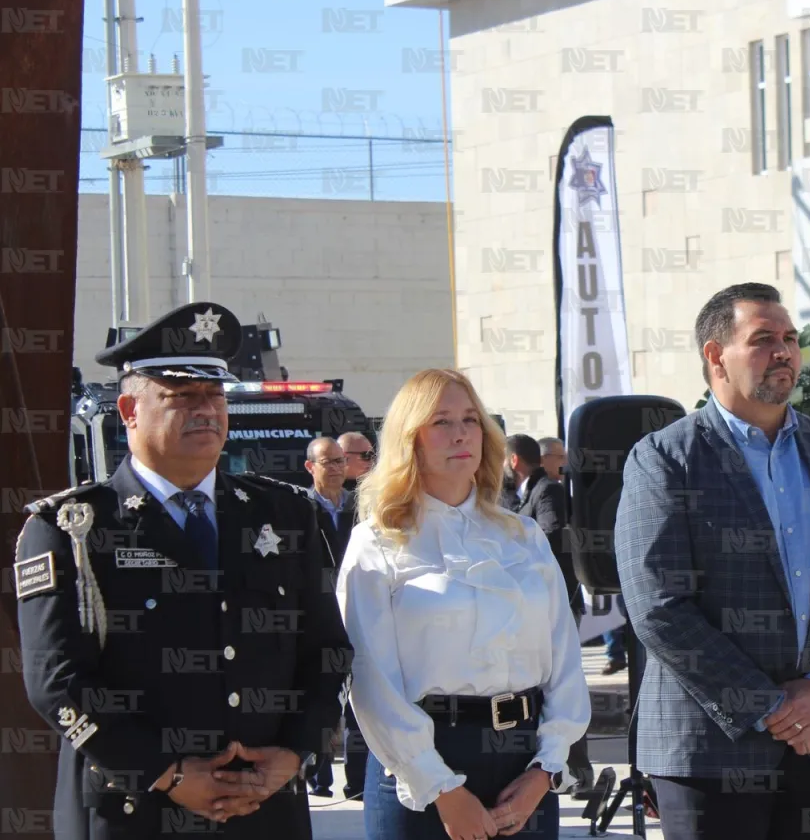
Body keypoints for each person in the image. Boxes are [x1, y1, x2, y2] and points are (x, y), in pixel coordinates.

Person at [15, 301, 351, 840]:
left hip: (263, 809)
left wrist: (296, 752)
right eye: (181, 396)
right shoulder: (73, 527)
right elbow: (56, 681)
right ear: (129, 409)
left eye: (214, 395)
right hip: (134, 810)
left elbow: (327, 649)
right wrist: (168, 774)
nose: (206, 410)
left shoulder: (285, 514)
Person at [614, 282, 810, 840]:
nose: (785, 352)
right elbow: (658, 606)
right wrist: (770, 707)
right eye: (763, 339)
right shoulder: (666, 458)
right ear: (715, 355)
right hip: (711, 752)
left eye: (790, 339)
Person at [336, 368, 590, 840]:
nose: (460, 434)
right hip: (419, 771)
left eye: (470, 420)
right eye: (441, 422)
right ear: (410, 439)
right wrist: (442, 790)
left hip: (525, 767)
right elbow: (371, 682)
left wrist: (545, 768)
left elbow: (566, 661)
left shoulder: (523, 537)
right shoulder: (378, 543)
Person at [505, 432, 595, 795]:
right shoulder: (520, 494)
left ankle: (579, 769)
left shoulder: (548, 491)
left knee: (562, 681)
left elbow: (553, 535)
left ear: (514, 461)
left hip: (555, 605)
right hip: (532, 607)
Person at [302, 436, 365, 800]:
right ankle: (319, 779)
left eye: (342, 461)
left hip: (357, 611)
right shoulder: (300, 508)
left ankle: (357, 783)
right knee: (322, 699)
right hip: (319, 614)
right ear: (311, 467)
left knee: (360, 702)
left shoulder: (361, 507)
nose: (338, 468)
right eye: (329, 462)